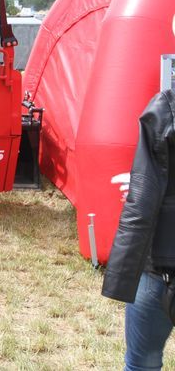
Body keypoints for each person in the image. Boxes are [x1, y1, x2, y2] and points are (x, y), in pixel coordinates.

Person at [102, 86, 175, 370]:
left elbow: (141, 200)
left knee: (142, 362)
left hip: (161, 269)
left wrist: (120, 275)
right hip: (161, 267)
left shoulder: (166, 108)